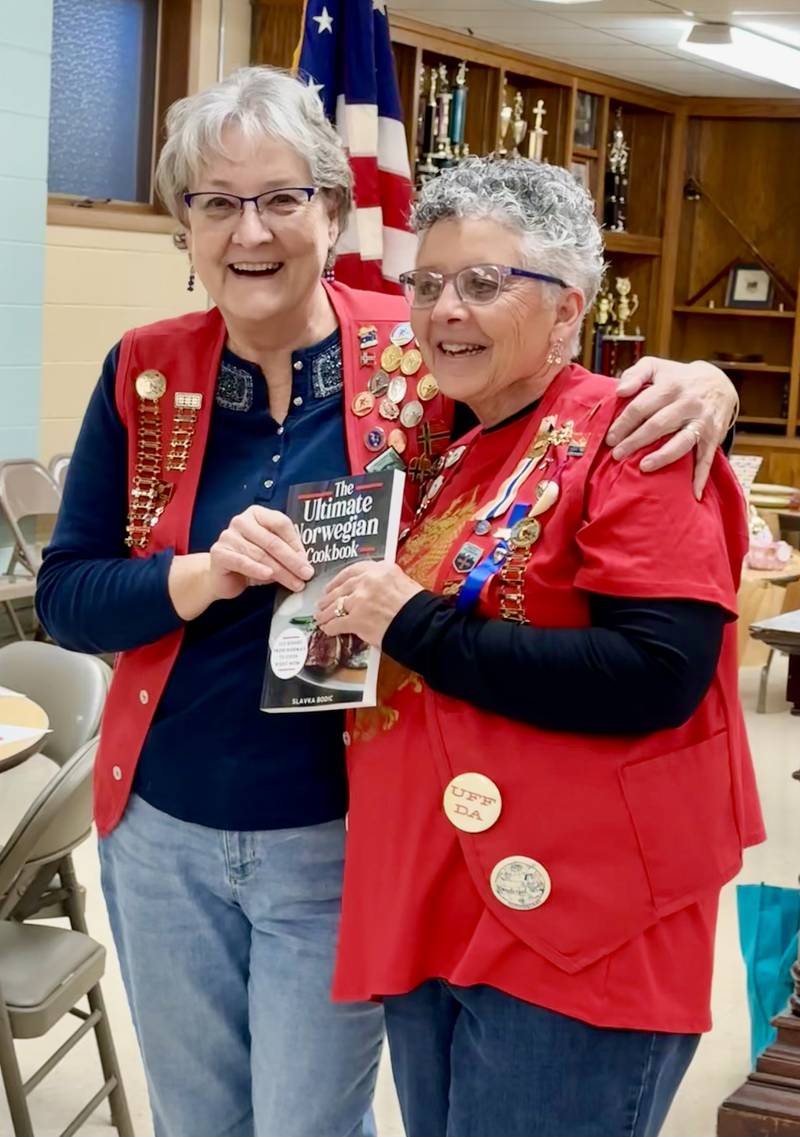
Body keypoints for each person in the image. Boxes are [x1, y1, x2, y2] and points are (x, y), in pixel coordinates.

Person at [36, 65, 738, 1137]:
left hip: (346, 827)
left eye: (280, 198)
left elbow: (553, 402)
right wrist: (201, 574)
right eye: (214, 203)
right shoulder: (146, 370)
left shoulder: (417, 352)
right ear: (183, 227)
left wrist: (700, 383)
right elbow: (71, 598)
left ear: (333, 210)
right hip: (163, 817)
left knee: (311, 1123)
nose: (250, 230)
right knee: (199, 1121)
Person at [315, 157, 765, 1137]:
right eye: (425, 285)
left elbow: (655, 676)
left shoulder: (635, 434)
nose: (442, 311)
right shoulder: (428, 445)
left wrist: (414, 625)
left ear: (567, 312)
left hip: (580, 916)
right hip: (431, 889)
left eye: (482, 283)